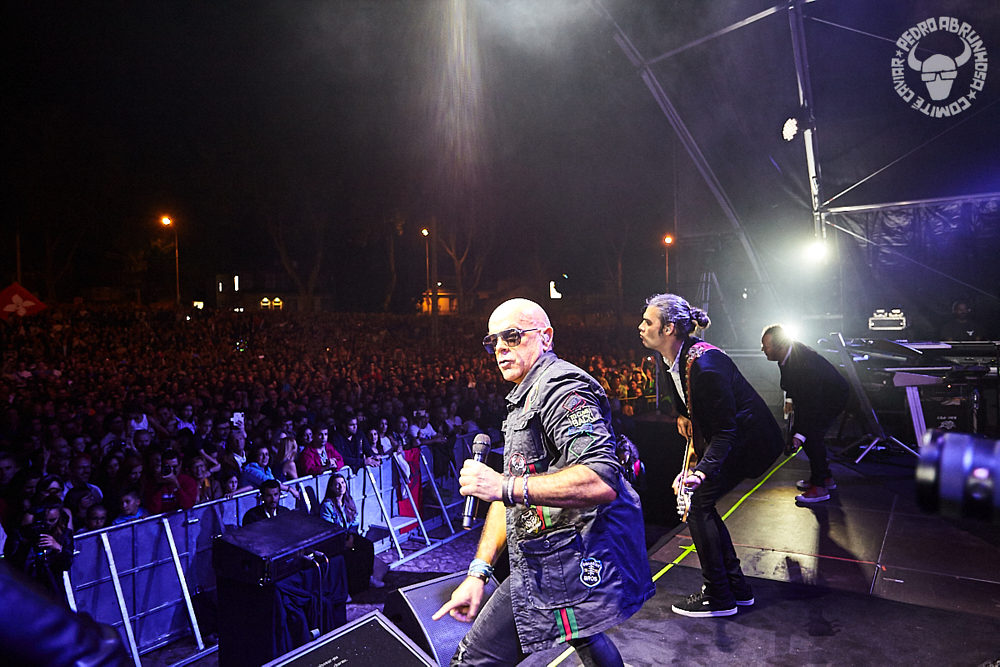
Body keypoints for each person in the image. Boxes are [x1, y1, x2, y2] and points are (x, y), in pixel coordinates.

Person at [433, 298, 654, 667]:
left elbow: (600, 478)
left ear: (546, 337)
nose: (501, 347)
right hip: (550, 555)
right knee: (584, 636)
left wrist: (504, 486)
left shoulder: (562, 387)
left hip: (565, 560)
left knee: (472, 660)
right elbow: (510, 494)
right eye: (493, 341)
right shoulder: (525, 396)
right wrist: (479, 571)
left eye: (513, 336)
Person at [639, 293, 782, 618]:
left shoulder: (705, 365)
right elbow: (689, 408)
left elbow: (727, 431)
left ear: (669, 329)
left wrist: (699, 472)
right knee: (699, 504)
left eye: (648, 322)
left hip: (750, 442)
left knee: (698, 501)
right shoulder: (669, 359)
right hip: (729, 439)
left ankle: (719, 594)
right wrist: (684, 416)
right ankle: (736, 589)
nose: (641, 326)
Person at [761, 324, 849, 503]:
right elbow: (791, 383)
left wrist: (799, 436)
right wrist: (790, 401)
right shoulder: (787, 355)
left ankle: (820, 487)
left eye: (766, 346)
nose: (762, 349)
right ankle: (825, 477)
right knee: (809, 435)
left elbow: (811, 405)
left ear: (780, 346)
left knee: (812, 437)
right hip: (817, 397)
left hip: (831, 398)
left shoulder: (804, 365)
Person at [319, 473, 386, 593]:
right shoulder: (327, 505)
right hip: (336, 540)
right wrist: (345, 539)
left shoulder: (348, 501)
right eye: (337, 484)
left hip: (350, 536)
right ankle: (346, 589)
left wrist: (351, 537)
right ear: (331, 488)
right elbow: (329, 528)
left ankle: (368, 577)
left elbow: (355, 520)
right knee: (348, 556)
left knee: (368, 545)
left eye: (343, 483)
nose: (341, 487)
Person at [4, 497, 75, 605]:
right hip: (25, 589)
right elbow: (11, 565)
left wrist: (57, 548)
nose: (47, 525)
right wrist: (27, 543)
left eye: (52, 520)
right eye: (43, 520)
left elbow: (66, 565)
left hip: (52, 588)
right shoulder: (19, 534)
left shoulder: (64, 534)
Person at [144, 450, 198, 514]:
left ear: (180, 464)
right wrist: (158, 486)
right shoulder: (152, 482)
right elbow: (153, 510)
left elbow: (188, 505)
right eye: (168, 467)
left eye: (174, 467)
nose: (172, 470)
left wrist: (175, 484)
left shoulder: (188, 481)